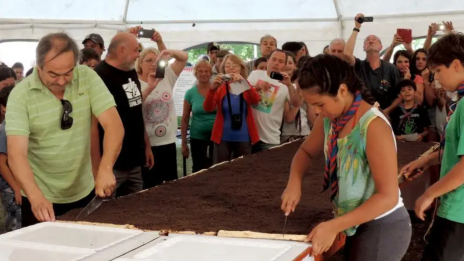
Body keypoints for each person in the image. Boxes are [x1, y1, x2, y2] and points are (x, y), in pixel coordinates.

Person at [282, 54, 410, 260]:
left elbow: (388, 196)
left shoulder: (373, 126)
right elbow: (305, 152)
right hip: (353, 222)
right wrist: (294, 181)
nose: (316, 111)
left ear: (342, 90)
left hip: (381, 225)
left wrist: (334, 226)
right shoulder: (329, 119)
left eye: (320, 104)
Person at [6, 32, 124, 227]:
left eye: (68, 72)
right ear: (38, 66)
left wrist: (105, 168)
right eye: (53, 74)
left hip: (84, 191)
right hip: (39, 195)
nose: (61, 81)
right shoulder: (20, 95)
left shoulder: (87, 76)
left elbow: (114, 126)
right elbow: (16, 154)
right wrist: (35, 196)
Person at [401, 33, 464, 261]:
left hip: (459, 211)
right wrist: (424, 161)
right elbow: (454, 147)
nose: (435, 79)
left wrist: (429, 193)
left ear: (456, 65)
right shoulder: (460, 101)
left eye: (437, 71)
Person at [93, 31, 156, 195]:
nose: (138, 55)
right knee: (107, 212)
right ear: (122, 50)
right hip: (113, 166)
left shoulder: (130, 71)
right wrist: (100, 167)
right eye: (136, 50)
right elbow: (92, 126)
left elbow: (135, 109)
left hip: (135, 161)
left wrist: (147, 147)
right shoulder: (99, 77)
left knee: (136, 210)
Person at [136, 46, 188, 188]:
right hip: (148, 145)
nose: (153, 63)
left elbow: (184, 57)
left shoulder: (166, 77)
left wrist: (169, 52)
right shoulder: (135, 83)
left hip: (168, 142)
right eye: (149, 60)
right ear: (140, 63)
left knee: (170, 185)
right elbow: (134, 109)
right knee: (150, 185)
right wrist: (150, 88)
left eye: (156, 60)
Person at [204, 54, 260, 164]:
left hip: (244, 136)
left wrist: (244, 83)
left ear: (241, 68)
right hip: (223, 137)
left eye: (235, 65)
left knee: (243, 171)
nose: (231, 68)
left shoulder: (245, 86)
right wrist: (212, 89)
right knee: (221, 171)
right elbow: (208, 108)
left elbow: (256, 100)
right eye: (228, 65)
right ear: (223, 69)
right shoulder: (220, 89)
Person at [344, 13, 401, 114]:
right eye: (367, 40)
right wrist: (357, 28)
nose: (370, 41)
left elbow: (399, 96)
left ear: (381, 47)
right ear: (364, 48)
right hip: (361, 114)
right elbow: (347, 54)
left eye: (374, 39)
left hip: (385, 115)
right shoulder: (359, 65)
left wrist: (386, 111)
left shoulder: (391, 68)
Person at [247, 50, 301, 153]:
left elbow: (296, 103)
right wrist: (255, 87)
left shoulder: (287, 84)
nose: (276, 63)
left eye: (280, 61)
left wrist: (289, 85)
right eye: (274, 59)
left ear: (284, 65)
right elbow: (242, 93)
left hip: (270, 138)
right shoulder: (255, 74)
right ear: (268, 61)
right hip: (248, 135)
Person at [182, 60, 216, 173]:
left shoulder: (218, 90)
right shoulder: (190, 93)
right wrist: (183, 143)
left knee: (216, 166)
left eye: (206, 71)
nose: (203, 73)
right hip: (197, 135)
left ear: (211, 73)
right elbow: (185, 118)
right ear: (196, 74)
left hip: (216, 135)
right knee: (198, 168)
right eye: (200, 71)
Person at [0, 86, 21, 232]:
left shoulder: (19, 125)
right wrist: (17, 189)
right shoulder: (5, 129)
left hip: (19, 184)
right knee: (15, 224)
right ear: (3, 108)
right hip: (10, 187)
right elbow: (1, 164)